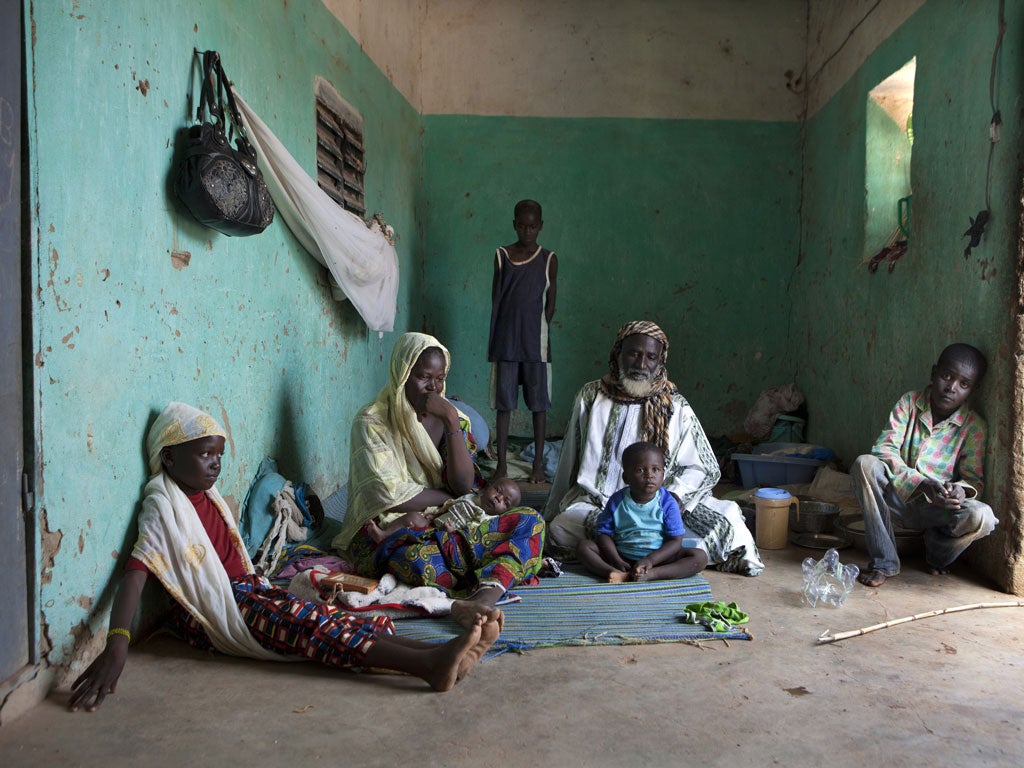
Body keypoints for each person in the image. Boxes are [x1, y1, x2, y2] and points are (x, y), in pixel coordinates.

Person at [68, 403, 501, 712]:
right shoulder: (161, 502)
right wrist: (117, 645)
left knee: (333, 619)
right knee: (308, 626)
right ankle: (428, 664)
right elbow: (136, 572)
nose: (216, 464)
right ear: (168, 456)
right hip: (213, 610)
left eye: (219, 454)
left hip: (247, 591)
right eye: (204, 455)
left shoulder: (204, 493)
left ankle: (437, 652)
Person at [331, 332, 546, 628]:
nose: (432, 387)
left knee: (530, 521)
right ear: (402, 373)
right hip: (395, 527)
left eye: (440, 378)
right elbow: (389, 495)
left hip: (450, 525)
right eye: (423, 377)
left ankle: (483, 599)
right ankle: (483, 569)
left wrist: (450, 420)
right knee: (419, 561)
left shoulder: (453, 418)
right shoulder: (371, 422)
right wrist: (446, 499)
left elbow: (463, 485)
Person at [544, 320, 764, 576]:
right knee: (562, 525)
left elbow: (701, 466)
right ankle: (650, 557)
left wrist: (677, 497)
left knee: (729, 524)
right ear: (618, 355)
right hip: (603, 504)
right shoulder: (592, 396)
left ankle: (634, 557)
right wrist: (552, 508)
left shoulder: (675, 405)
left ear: (661, 361)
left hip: (661, 504)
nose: (640, 364)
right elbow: (571, 455)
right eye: (633, 354)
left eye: (650, 356)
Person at [852, 343, 997, 588]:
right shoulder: (910, 402)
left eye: (963, 384)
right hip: (898, 498)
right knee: (864, 464)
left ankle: (937, 554)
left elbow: (974, 481)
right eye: (947, 376)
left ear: (973, 389)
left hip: (938, 511)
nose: (951, 388)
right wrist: (920, 483)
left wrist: (961, 491)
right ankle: (884, 561)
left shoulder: (974, 427)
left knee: (983, 516)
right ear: (934, 373)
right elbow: (884, 449)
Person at [488, 198, 558, 483]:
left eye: (533, 226)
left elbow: (550, 305)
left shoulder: (549, 259)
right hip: (505, 342)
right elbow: (497, 300)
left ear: (540, 226)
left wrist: (534, 330)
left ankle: (538, 465)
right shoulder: (502, 255)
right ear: (514, 224)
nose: (527, 231)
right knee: (504, 404)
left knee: (538, 405)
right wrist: (506, 332)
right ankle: (502, 466)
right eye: (522, 225)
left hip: (535, 345)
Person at [578, 441, 708, 583]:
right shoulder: (617, 501)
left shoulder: (668, 503)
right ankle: (615, 572)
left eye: (655, 469)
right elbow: (603, 534)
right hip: (623, 556)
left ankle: (651, 574)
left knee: (700, 557)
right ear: (626, 478)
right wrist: (615, 559)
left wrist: (650, 560)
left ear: (663, 475)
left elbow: (675, 541)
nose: (649, 475)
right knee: (584, 547)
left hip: (658, 559)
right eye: (640, 470)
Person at [367, 476, 522, 540]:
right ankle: (383, 534)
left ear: (505, 512)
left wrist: (453, 533)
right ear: (487, 487)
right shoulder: (470, 497)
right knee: (413, 517)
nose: (498, 498)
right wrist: (433, 515)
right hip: (432, 526)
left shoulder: (485, 519)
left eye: (505, 502)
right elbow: (448, 506)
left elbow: (471, 535)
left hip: (447, 538)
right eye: (498, 491)